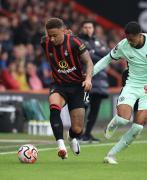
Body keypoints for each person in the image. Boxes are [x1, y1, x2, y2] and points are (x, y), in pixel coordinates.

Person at [93, 21, 147, 164]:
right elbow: (106, 59)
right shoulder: (123, 45)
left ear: (140, 35)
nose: (129, 42)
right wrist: (90, 75)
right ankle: (114, 123)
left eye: (132, 39)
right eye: (127, 39)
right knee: (123, 120)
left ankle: (111, 155)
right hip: (131, 85)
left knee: (137, 127)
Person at [40, 18, 93, 159]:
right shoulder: (44, 42)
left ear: (64, 31)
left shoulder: (75, 42)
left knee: (77, 129)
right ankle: (61, 146)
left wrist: (88, 79)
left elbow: (88, 62)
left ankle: (71, 137)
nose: (51, 39)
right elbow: (45, 41)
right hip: (59, 85)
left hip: (77, 87)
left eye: (55, 35)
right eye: (49, 35)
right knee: (54, 107)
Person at [78, 20, 109, 143]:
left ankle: (87, 134)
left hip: (100, 82)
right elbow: (85, 57)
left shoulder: (99, 41)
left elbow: (108, 54)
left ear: (93, 28)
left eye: (90, 27)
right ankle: (78, 134)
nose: (88, 29)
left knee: (95, 109)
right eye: (85, 27)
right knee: (82, 108)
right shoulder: (78, 41)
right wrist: (97, 53)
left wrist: (92, 52)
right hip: (85, 79)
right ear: (82, 28)